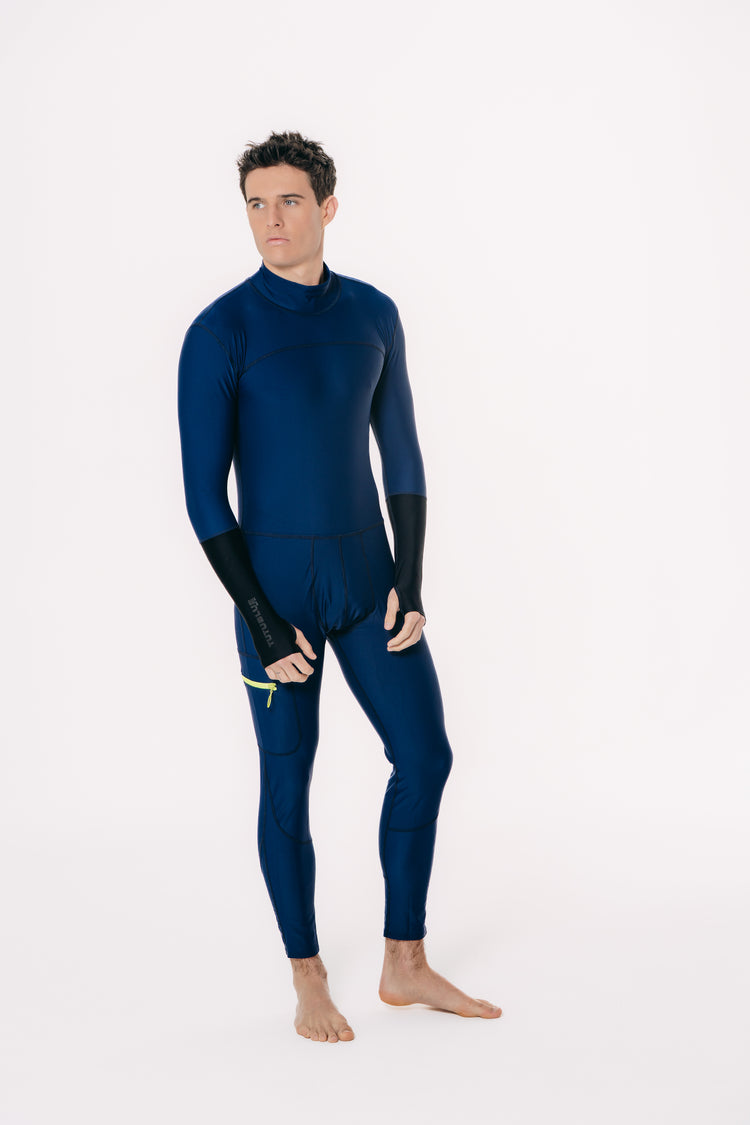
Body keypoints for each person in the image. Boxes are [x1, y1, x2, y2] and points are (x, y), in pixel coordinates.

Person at [177, 130, 502, 1042]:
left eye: (288, 201)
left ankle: (405, 960)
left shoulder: (374, 314)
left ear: (327, 206)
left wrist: (411, 580)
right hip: (274, 599)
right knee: (289, 784)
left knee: (426, 756)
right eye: (255, 203)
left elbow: (403, 455)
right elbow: (204, 496)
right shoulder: (221, 330)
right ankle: (308, 974)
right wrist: (260, 618)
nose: (270, 220)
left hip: (368, 587)